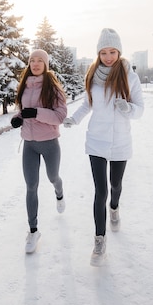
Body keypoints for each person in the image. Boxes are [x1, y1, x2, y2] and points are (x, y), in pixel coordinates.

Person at [63, 28, 144, 266]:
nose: (108, 57)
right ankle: (99, 241)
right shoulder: (93, 76)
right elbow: (87, 105)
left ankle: (115, 208)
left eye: (112, 52)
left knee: (115, 185)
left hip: (120, 142)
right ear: (98, 53)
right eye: (103, 52)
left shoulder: (130, 77)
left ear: (119, 51)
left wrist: (129, 109)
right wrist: (73, 119)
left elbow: (140, 108)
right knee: (100, 190)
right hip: (96, 142)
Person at [11, 49, 68, 254]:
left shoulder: (53, 89)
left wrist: (36, 113)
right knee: (31, 186)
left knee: (53, 177)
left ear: (45, 64)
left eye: (39, 61)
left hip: (49, 142)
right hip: (29, 144)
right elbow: (23, 109)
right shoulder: (24, 86)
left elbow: (60, 116)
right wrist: (19, 117)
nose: (35, 64)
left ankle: (59, 193)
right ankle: (33, 231)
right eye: (32, 61)